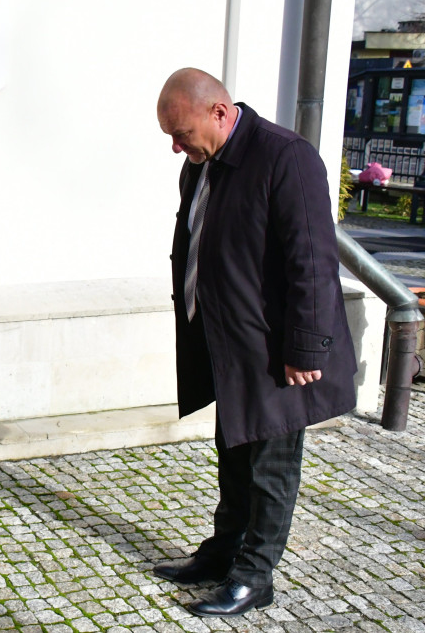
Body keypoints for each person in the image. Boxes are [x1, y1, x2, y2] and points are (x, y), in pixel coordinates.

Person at [153, 68, 357, 617]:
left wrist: (307, 347)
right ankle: (223, 553)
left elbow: (311, 258)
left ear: (218, 112)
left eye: (181, 133)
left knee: (270, 466)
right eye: (169, 136)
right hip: (230, 343)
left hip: (276, 352)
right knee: (234, 455)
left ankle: (255, 575)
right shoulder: (202, 163)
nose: (175, 147)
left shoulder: (285, 157)